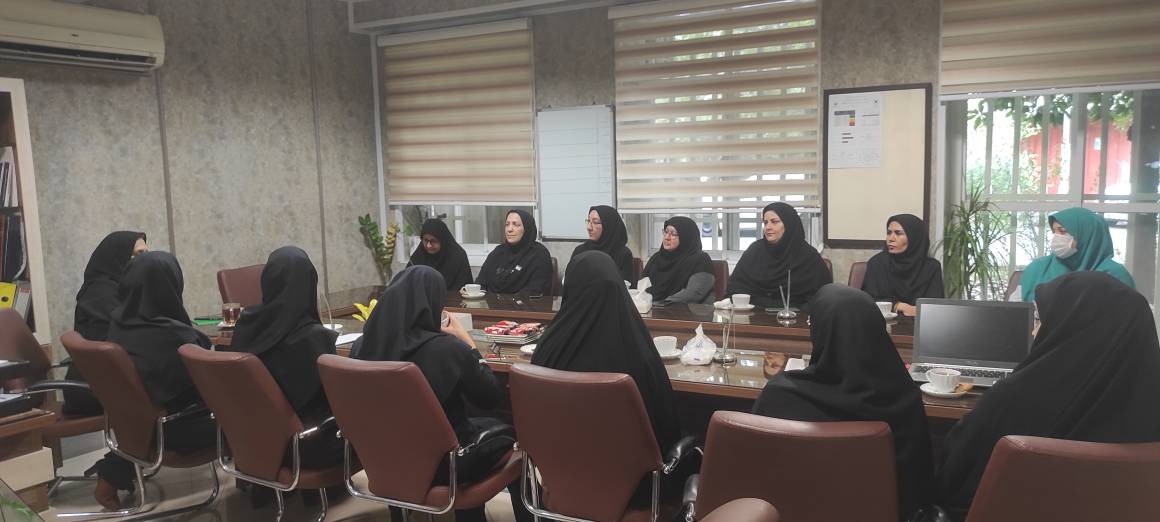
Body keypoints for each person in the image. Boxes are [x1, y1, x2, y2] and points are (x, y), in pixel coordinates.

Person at [935, 271, 1160, 520]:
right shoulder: (1150, 409)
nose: (1034, 333)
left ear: (1069, 328)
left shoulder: (1010, 400)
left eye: (1040, 321)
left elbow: (952, 479)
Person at [351, 266, 532, 522]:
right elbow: (490, 397)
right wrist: (469, 345)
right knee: (512, 437)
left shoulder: (361, 347)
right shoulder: (448, 349)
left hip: (382, 460)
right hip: (445, 465)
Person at [753, 284, 932, 520]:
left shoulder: (779, 395)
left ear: (820, 332)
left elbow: (755, 475)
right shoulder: (904, 399)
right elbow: (920, 487)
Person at [93, 251, 215, 510]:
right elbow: (206, 384)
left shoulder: (120, 324)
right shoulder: (175, 337)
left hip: (136, 429)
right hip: (173, 431)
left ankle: (113, 469)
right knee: (252, 415)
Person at [533, 251, 681, 451]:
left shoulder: (549, 345)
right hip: (627, 465)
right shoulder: (637, 349)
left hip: (555, 461)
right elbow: (665, 422)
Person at [227, 246, 341, 467]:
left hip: (252, 444)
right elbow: (336, 400)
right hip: (303, 447)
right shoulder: (314, 339)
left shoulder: (245, 325)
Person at [66, 231, 148, 415]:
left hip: (105, 382)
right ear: (118, 256)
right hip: (96, 390)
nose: (145, 260)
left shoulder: (118, 288)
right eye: (139, 254)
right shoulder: (101, 294)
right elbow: (123, 341)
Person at [727, 202, 831, 309]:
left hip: (797, 316)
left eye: (775, 222)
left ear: (789, 224)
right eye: (765, 223)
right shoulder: (755, 251)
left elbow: (822, 298)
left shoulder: (808, 256)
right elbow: (734, 288)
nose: (768, 227)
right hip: (755, 313)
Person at [1018, 207, 1134, 302]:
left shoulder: (1114, 275)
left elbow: (1128, 316)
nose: (1056, 237)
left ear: (1086, 236)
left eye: (1062, 231)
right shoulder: (1038, 269)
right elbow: (1017, 312)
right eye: (1055, 231)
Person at [861, 214, 944, 316]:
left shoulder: (931, 268)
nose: (891, 239)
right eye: (889, 233)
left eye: (898, 233)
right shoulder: (877, 263)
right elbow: (867, 300)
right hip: (883, 323)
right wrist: (898, 306)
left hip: (920, 323)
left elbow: (936, 306)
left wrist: (919, 311)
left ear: (914, 237)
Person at [477, 210, 554, 295]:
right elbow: (480, 284)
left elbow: (535, 291)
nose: (509, 229)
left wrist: (503, 301)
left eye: (515, 225)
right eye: (507, 224)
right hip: (489, 302)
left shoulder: (539, 254)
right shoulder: (498, 252)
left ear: (527, 228)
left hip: (522, 303)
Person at [641, 216, 715, 304]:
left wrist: (661, 304)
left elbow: (693, 294)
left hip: (683, 310)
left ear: (686, 237)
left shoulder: (700, 260)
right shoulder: (656, 258)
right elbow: (642, 287)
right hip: (650, 308)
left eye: (673, 234)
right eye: (666, 232)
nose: (667, 237)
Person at [571, 205, 634, 284]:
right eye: (588, 221)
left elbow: (625, 287)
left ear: (609, 225)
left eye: (595, 222)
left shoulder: (623, 254)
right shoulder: (580, 251)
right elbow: (569, 281)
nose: (589, 227)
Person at [407, 218, 473, 291]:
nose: (428, 245)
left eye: (433, 241)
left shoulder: (458, 257)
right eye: (425, 240)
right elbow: (406, 284)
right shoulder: (420, 255)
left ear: (443, 241)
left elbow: (465, 291)